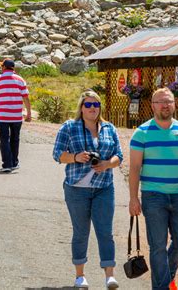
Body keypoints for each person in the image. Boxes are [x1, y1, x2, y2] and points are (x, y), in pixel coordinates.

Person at [129, 87, 178, 290]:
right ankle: (162, 287)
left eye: (168, 101)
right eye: (160, 101)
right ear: (152, 105)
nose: (165, 105)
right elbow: (134, 168)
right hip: (153, 196)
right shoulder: (141, 133)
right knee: (157, 246)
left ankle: (166, 277)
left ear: (174, 104)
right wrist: (134, 198)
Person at [53, 90, 123, 289]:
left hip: (103, 187)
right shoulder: (70, 127)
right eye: (88, 105)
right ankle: (80, 276)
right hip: (76, 189)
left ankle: (109, 275)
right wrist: (76, 157)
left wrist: (107, 164)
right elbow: (57, 154)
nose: (93, 108)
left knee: (105, 231)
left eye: (96, 105)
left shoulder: (109, 128)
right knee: (81, 232)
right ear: (81, 108)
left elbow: (119, 156)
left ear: (100, 107)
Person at [0, 59, 31, 172]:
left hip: (2, 115)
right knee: (15, 139)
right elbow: (26, 98)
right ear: (13, 68)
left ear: (3, 68)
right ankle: (14, 162)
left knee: (4, 139)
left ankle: (7, 164)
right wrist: (29, 113)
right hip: (16, 115)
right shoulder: (20, 80)